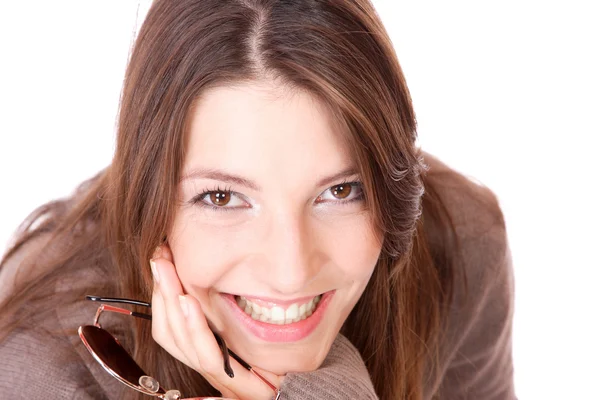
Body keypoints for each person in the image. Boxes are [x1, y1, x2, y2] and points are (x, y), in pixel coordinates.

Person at [0, 0, 515, 399]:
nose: (290, 272)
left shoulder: (459, 246)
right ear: (148, 197)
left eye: (340, 191)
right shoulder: (46, 367)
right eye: (222, 197)